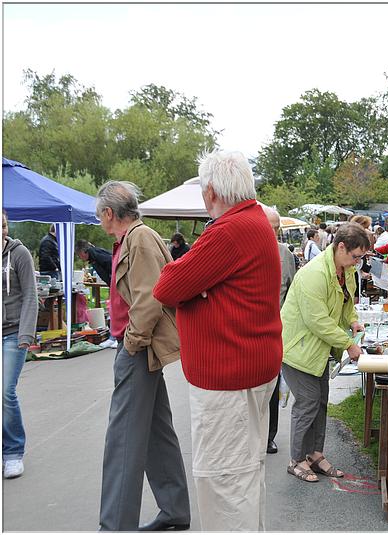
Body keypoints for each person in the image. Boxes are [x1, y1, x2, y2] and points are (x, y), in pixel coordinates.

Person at [153, 151, 282, 531]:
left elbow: (167, 286)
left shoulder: (228, 231)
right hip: (250, 367)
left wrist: (198, 290)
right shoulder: (254, 219)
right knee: (245, 473)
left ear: (210, 191)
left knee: (225, 480)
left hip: (228, 376)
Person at [95, 181, 190, 532]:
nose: (100, 221)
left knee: (122, 441)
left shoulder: (139, 237)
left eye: (100, 214)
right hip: (137, 347)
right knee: (154, 433)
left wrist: (132, 342)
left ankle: (115, 526)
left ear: (109, 213)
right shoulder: (133, 237)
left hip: (136, 349)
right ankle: (175, 511)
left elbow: (151, 296)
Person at [280, 222, 368, 483]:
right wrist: (348, 344)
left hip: (319, 350)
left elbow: (346, 303)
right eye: (355, 256)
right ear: (341, 247)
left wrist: (353, 321)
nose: (357, 262)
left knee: (320, 403)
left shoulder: (345, 269)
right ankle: (296, 460)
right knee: (307, 404)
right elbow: (317, 320)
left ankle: (315, 454)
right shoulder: (313, 274)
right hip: (298, 348)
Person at [2, 211, 37, 480]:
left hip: (14, 333)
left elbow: (30, 296)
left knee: (5, 392)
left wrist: (26, 333)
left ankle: (13, 453)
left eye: (2, 225)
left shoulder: (19, 254)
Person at [262, 205, 298, 455]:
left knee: (273, 388)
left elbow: (293, 292)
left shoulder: (285, 254)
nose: (273, 233)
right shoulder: (245, 250)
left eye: (276, 228)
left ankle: (268, 436)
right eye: (269, 227)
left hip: (277, 330)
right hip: (250, 331)